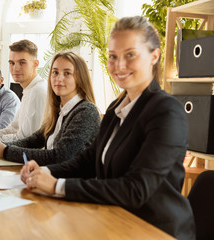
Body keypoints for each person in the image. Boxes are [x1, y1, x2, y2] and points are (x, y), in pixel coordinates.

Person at [20, 16, 195, 240]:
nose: (119, 65)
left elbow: (135, 189)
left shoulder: (167, 112)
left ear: (154, 56)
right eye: (113, 57)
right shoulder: (116, 108)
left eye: (130, 55)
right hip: (112, 216)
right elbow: (90, 159)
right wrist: (46, 171)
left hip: (154, 229)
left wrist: (57, 186)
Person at [0, 52, 101, 165]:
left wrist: (5, 151)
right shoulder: (59, 110)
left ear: (80, 78)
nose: (59, 78)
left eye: (67, 73)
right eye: (55, 72)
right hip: (48, 177)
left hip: (68, 185)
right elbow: (33, 141)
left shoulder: (86, 111)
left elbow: (59, 156)